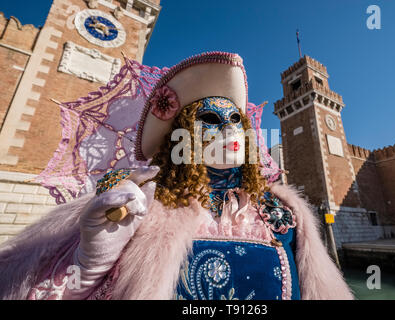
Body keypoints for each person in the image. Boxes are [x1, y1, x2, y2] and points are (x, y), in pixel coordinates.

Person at [0, 51, 353, 300]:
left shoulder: (282, 210)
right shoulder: (143, 200)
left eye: (236, 122)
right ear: (182, 136)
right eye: (211, 121)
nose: (228, 132)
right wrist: (91, 259)